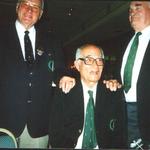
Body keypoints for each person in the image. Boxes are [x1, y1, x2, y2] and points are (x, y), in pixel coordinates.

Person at [0, 0, 74, 148]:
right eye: (26, 4)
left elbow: (59, 69)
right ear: (17, 7)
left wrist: (64, 76)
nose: (29, 9)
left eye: (35, 7)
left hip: (39, 123)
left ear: (40, 14)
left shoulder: (52, 41)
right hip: (4, 120)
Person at [49, 44, 125, 149]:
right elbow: (55, 133)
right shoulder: (65, 92)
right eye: (89, 60)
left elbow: (120, 134)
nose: (95, 66)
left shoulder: (112, 93)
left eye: (99, 60)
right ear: (78, 64)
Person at [105, 1, 150, 149]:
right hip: (123, 109)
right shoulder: (124, 41)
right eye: (130, 10)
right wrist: (115, 82)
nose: (132, 12)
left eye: (138, 7)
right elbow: (121, 74)